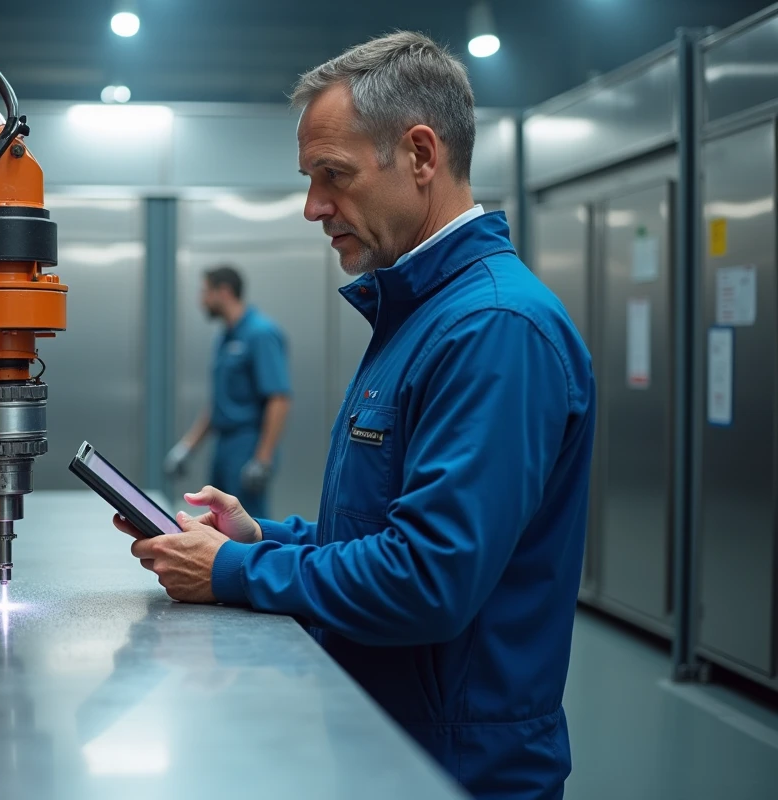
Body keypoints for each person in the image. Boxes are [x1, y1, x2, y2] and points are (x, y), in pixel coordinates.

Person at [116, 31, 596, 800]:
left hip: (462, 766)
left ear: (419, 154)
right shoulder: (419, 315)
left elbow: (428, 578)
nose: (313, 208)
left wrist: (232, 571)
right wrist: (261, 535)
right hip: (388, 737)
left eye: (331, 176)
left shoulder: (495, 330)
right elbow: (387, 533)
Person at [163, 265, 291, 519]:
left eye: (205, 292)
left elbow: (279, 398)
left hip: (248, 445)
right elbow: (219, 403)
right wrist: (187, 447)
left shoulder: (260, 334)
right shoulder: (225, 337)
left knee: (248, 526)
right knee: (219, 521)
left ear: (224, 292)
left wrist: (262, 459)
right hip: (224, 445)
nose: (201, 300)